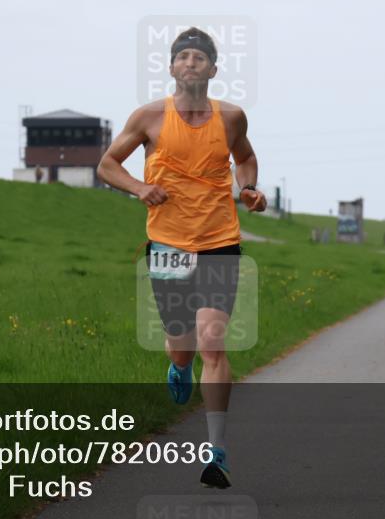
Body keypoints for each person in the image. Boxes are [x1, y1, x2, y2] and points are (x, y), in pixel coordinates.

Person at [97, 27, 266, 489]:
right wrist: (138, 187)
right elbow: (108, 164)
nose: (191, 63)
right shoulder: (149, 117)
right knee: (181, 340)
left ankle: (217, 451)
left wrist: (248, 188)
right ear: (171, 68)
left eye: (200, 58)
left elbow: (246, 157)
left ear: (213, 69)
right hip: (168, 245)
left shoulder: (231, 117)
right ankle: (178, 365)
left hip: (219, 241)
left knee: (213, 340)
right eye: (183, 57)